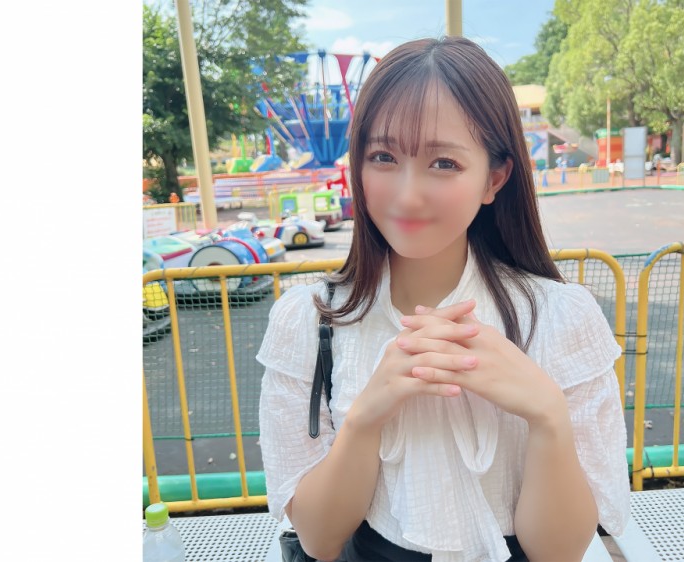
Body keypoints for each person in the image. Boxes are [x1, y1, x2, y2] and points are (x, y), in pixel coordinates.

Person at [258, 36, 629, 562]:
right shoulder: (309, 321)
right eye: (383, 157)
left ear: (494, 178)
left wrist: (547, 414)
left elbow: (560, 553)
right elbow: (319, 539)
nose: (408, 195)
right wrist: (365, 417)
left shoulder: (560, 318)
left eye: (444, 163)